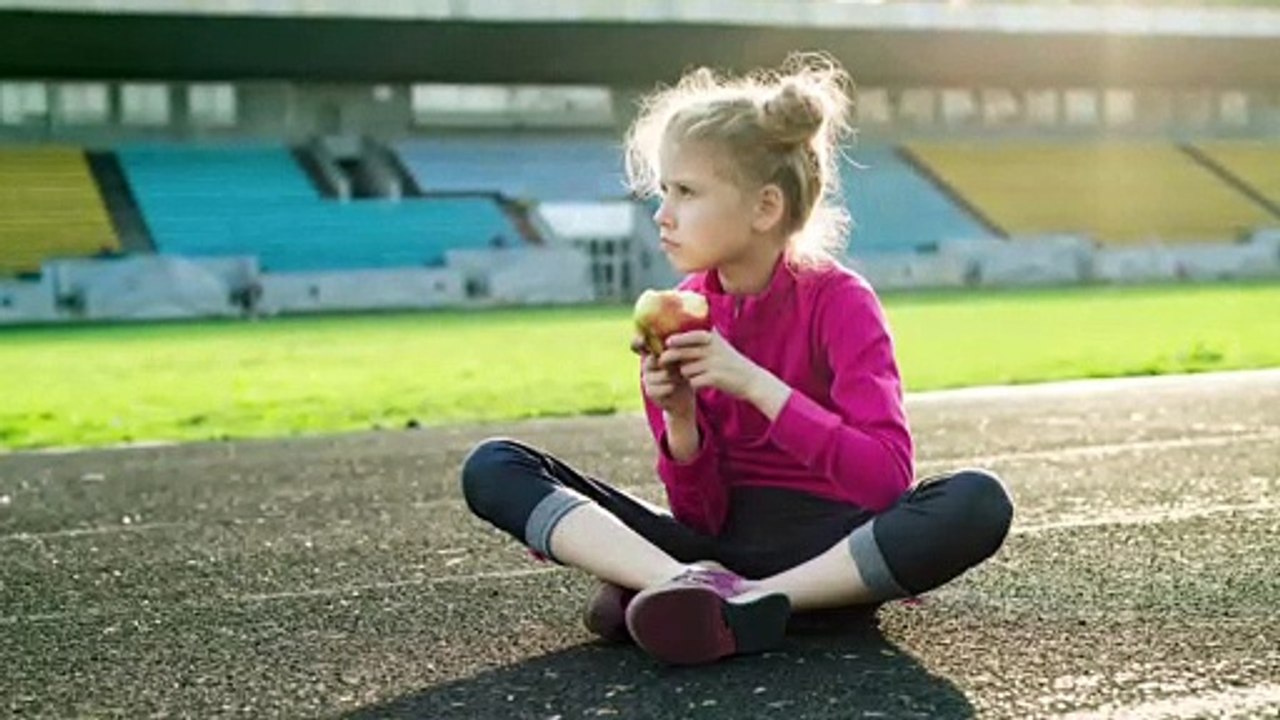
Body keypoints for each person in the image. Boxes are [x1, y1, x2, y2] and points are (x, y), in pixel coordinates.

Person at [460, 53, 1013, 666]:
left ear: (765, 208)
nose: (662, 214)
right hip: (710, 549)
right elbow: (700, 516)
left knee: (977, 501)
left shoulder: (841, 301)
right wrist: (681, 422)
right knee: (495, 465)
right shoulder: (677, 312)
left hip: (830, 549)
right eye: (664, 191)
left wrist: (755, 384)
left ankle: (730, 597)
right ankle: (688, 588)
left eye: (686, 192)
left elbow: (884, 482)